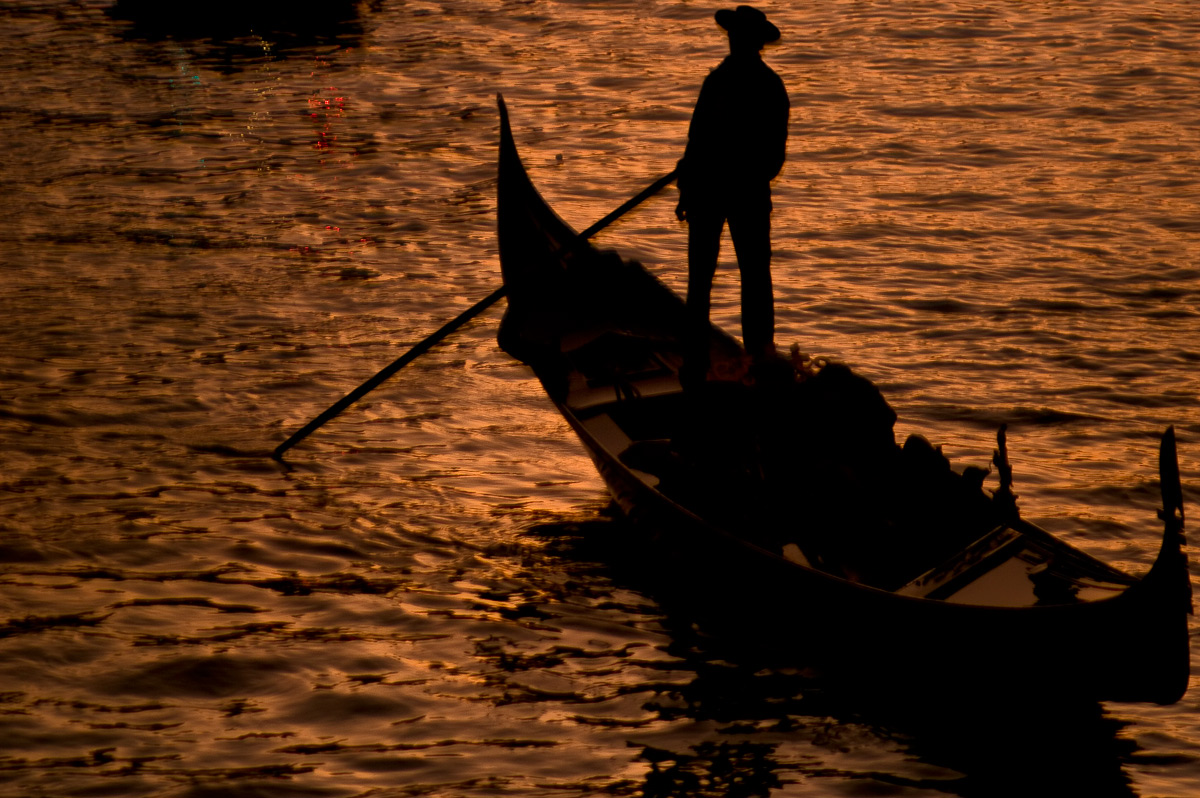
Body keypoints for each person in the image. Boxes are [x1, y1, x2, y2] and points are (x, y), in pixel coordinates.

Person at [675, 5, 789, 382]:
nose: (734, 42)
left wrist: (709, 179)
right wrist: (687, 187)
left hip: (738, 192)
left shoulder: (756, 85)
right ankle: (705, 359)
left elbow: (772, 155)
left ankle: (753, 359)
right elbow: (696, 142)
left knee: (750, 277)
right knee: (713, 278)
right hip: (717, 191)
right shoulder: (725, 82)